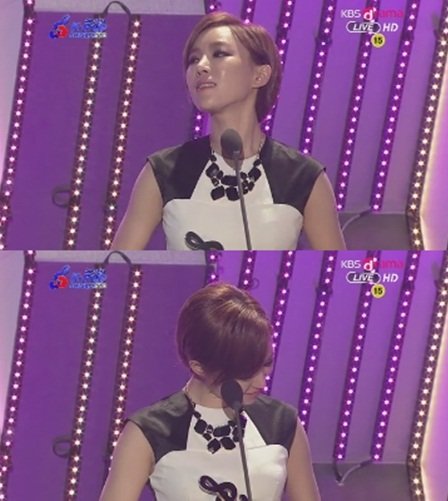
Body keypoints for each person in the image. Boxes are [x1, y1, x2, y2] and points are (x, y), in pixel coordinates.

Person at [111, 12, 345, 251]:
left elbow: (335, 264)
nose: (200, 67)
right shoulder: (163, 170)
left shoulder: (304, 177)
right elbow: (116, 264)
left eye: (219, 54)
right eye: (193, 59)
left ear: (259, 75)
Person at [99, 283, 321, 501]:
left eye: (266, 364)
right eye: (244, 372)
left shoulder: (282, 422)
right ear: (199, 367)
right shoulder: (149, 431)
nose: (261, 382)